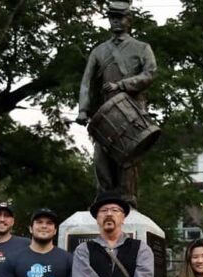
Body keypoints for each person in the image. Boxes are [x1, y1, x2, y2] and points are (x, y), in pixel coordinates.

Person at [75, 1, 157, 206]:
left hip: (133, 110)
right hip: (105, 113)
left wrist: (122, 84)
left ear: (129, 20)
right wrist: (83, 110)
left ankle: (128, 199)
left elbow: (149, 74)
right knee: (100, 157)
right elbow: (86, 83)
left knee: (128, 157)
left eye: (119, 17)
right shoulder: (99, 51)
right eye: (112, 18)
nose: (115, 22)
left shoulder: (142, 48)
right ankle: (104, 198)